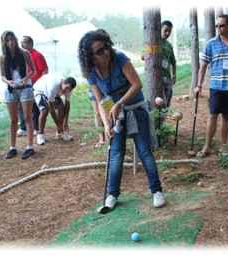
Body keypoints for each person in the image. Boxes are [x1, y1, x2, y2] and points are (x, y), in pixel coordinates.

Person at [78, 29, 165, 210]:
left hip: (135, 108)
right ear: (90, 57)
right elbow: (102, 100)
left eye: (106, 47)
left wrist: (120, 104)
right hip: (116, 114)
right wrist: (107, 124)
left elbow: (136, 84)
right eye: (99, 51)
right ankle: (112, 194)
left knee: (144, 151)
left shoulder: (120, 59)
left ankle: (157, 191)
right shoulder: (91, 73)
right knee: (116, 153)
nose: (106, 52)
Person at [194, 14, 228, 157]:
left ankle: (224, 147)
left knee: (226, 117)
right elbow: (203, 65)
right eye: (217, 26)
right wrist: (199, 85)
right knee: (212, 115)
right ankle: (207, 146)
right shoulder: (211, 43)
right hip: (216, 86)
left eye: (222, 25)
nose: (219, 28)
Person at [0, 31, 36, 160]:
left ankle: (30, 146)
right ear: (4, 42)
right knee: (13, 120)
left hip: (25, 87)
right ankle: (12, 147)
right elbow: (2, 75)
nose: (11, 42)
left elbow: (33, 70)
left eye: (12, 39)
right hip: (11, 88)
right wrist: (8, 81)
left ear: (15, 39)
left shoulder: (24, 53)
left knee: (27, 117)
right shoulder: (3, 57)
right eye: (7, 40)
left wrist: (25, 79)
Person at [17, 36, 49, 137]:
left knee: (35, 107)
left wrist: (41, 84)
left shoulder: (37, 55)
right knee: (21, 106)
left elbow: (45, 71)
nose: (22, 45)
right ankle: (23, 127)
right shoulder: (21, 55)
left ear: (30, 44)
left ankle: (36, 128)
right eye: (21, 43)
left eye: (24, 43)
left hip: (35, 85)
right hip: (23, 83)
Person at [33, 74, 76, 145]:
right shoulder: (53, 86)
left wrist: (66, 122)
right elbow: (51, 109)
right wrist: (58, 124)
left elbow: (67, 106)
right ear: (63, 83)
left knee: (61, 107)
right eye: (66, 88)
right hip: (40, 91)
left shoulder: (69, 89)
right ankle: (40, 135)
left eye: (69, 89)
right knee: (44, 110)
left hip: (53, 94)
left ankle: (60, 133)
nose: (67, 91)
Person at [160, 20, 176, 107]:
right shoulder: (153, 43)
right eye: (165, 30)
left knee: (167, 103)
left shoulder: (169, 45)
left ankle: (163, 119)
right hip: (157, 79)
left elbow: (173, 62)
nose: (167, 33)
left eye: (169, 31)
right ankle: (158, 120)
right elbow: (143, 56)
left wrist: (174, 75)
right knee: (160, 103)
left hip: (167, 78)